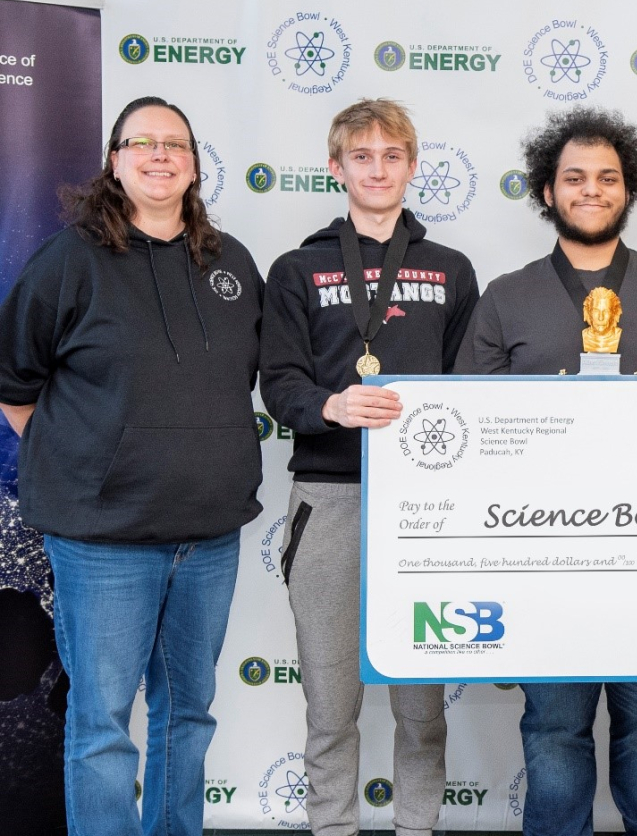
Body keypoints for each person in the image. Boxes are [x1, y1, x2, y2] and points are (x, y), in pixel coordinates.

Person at [455, 105, 637, 836]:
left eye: (607, 178)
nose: (591, 189)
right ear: (547, 191)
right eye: (573, 177)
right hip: (545, 556)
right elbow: (471, 428)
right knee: (553, 727)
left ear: (628, 189)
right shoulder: (505, 296)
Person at [0, 95, 264, 836]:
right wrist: (82, 455)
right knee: (102, 726)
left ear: (194, 164)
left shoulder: (230, 263)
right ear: (114, 162)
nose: (159, 155)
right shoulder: (68, 262)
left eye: (174, 143)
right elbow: (14, 384)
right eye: (140, 143)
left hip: (208, 540)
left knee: (187, 715)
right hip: (102, 544)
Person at [260, 98, 479, 836]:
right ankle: (332, 829)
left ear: (413, 168)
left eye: (392, 156)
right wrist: (330, 407)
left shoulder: (451, 270)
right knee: (330, 703)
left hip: (423, 509)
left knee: (420, 703)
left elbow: (470, 390)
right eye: (362, 156)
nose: (377, 169)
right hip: (329, 498)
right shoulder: (298, 268)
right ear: (336, 168)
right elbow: (279, 382)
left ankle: (417, 827)